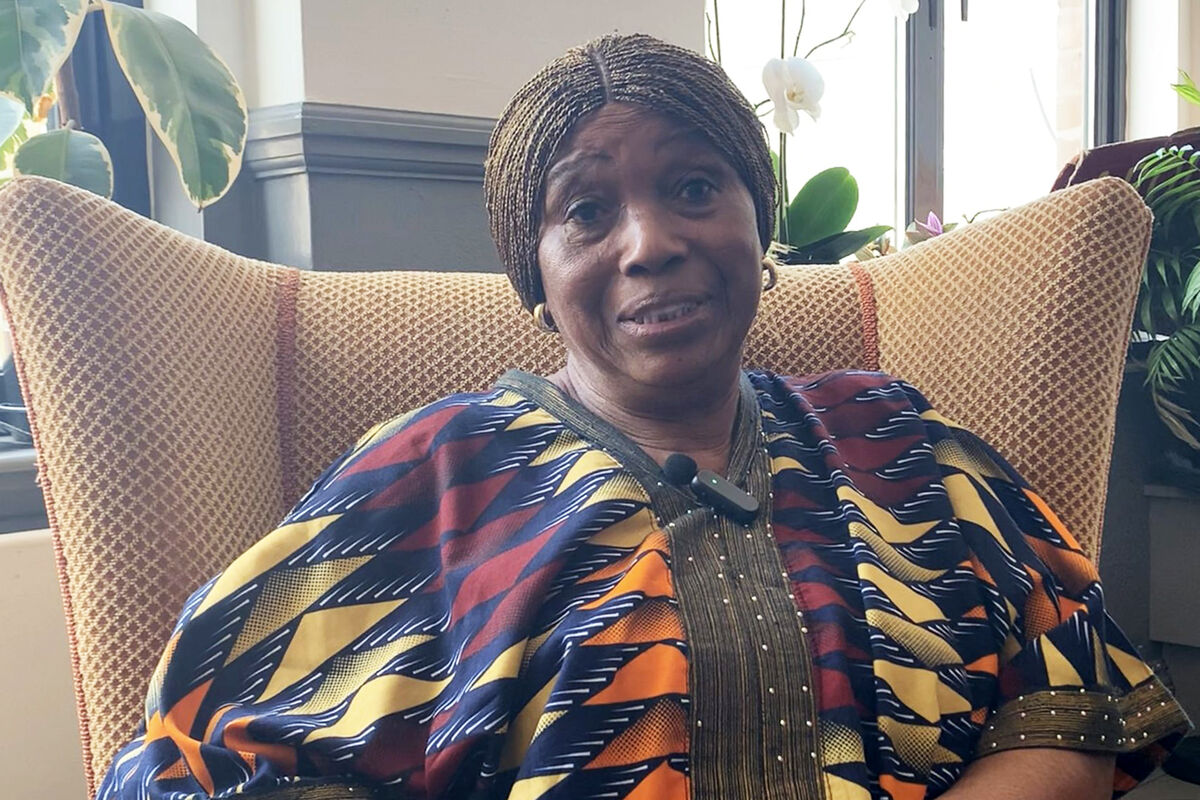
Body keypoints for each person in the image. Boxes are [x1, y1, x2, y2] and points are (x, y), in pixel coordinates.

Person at [96, 33, 1188, 800]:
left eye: (696, 188)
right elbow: (196, 766)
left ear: (758, 221)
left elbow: (1073, 700)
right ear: (534, 273)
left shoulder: (894, 442)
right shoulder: (433, 476)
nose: (651, 242)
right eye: (586, 210)